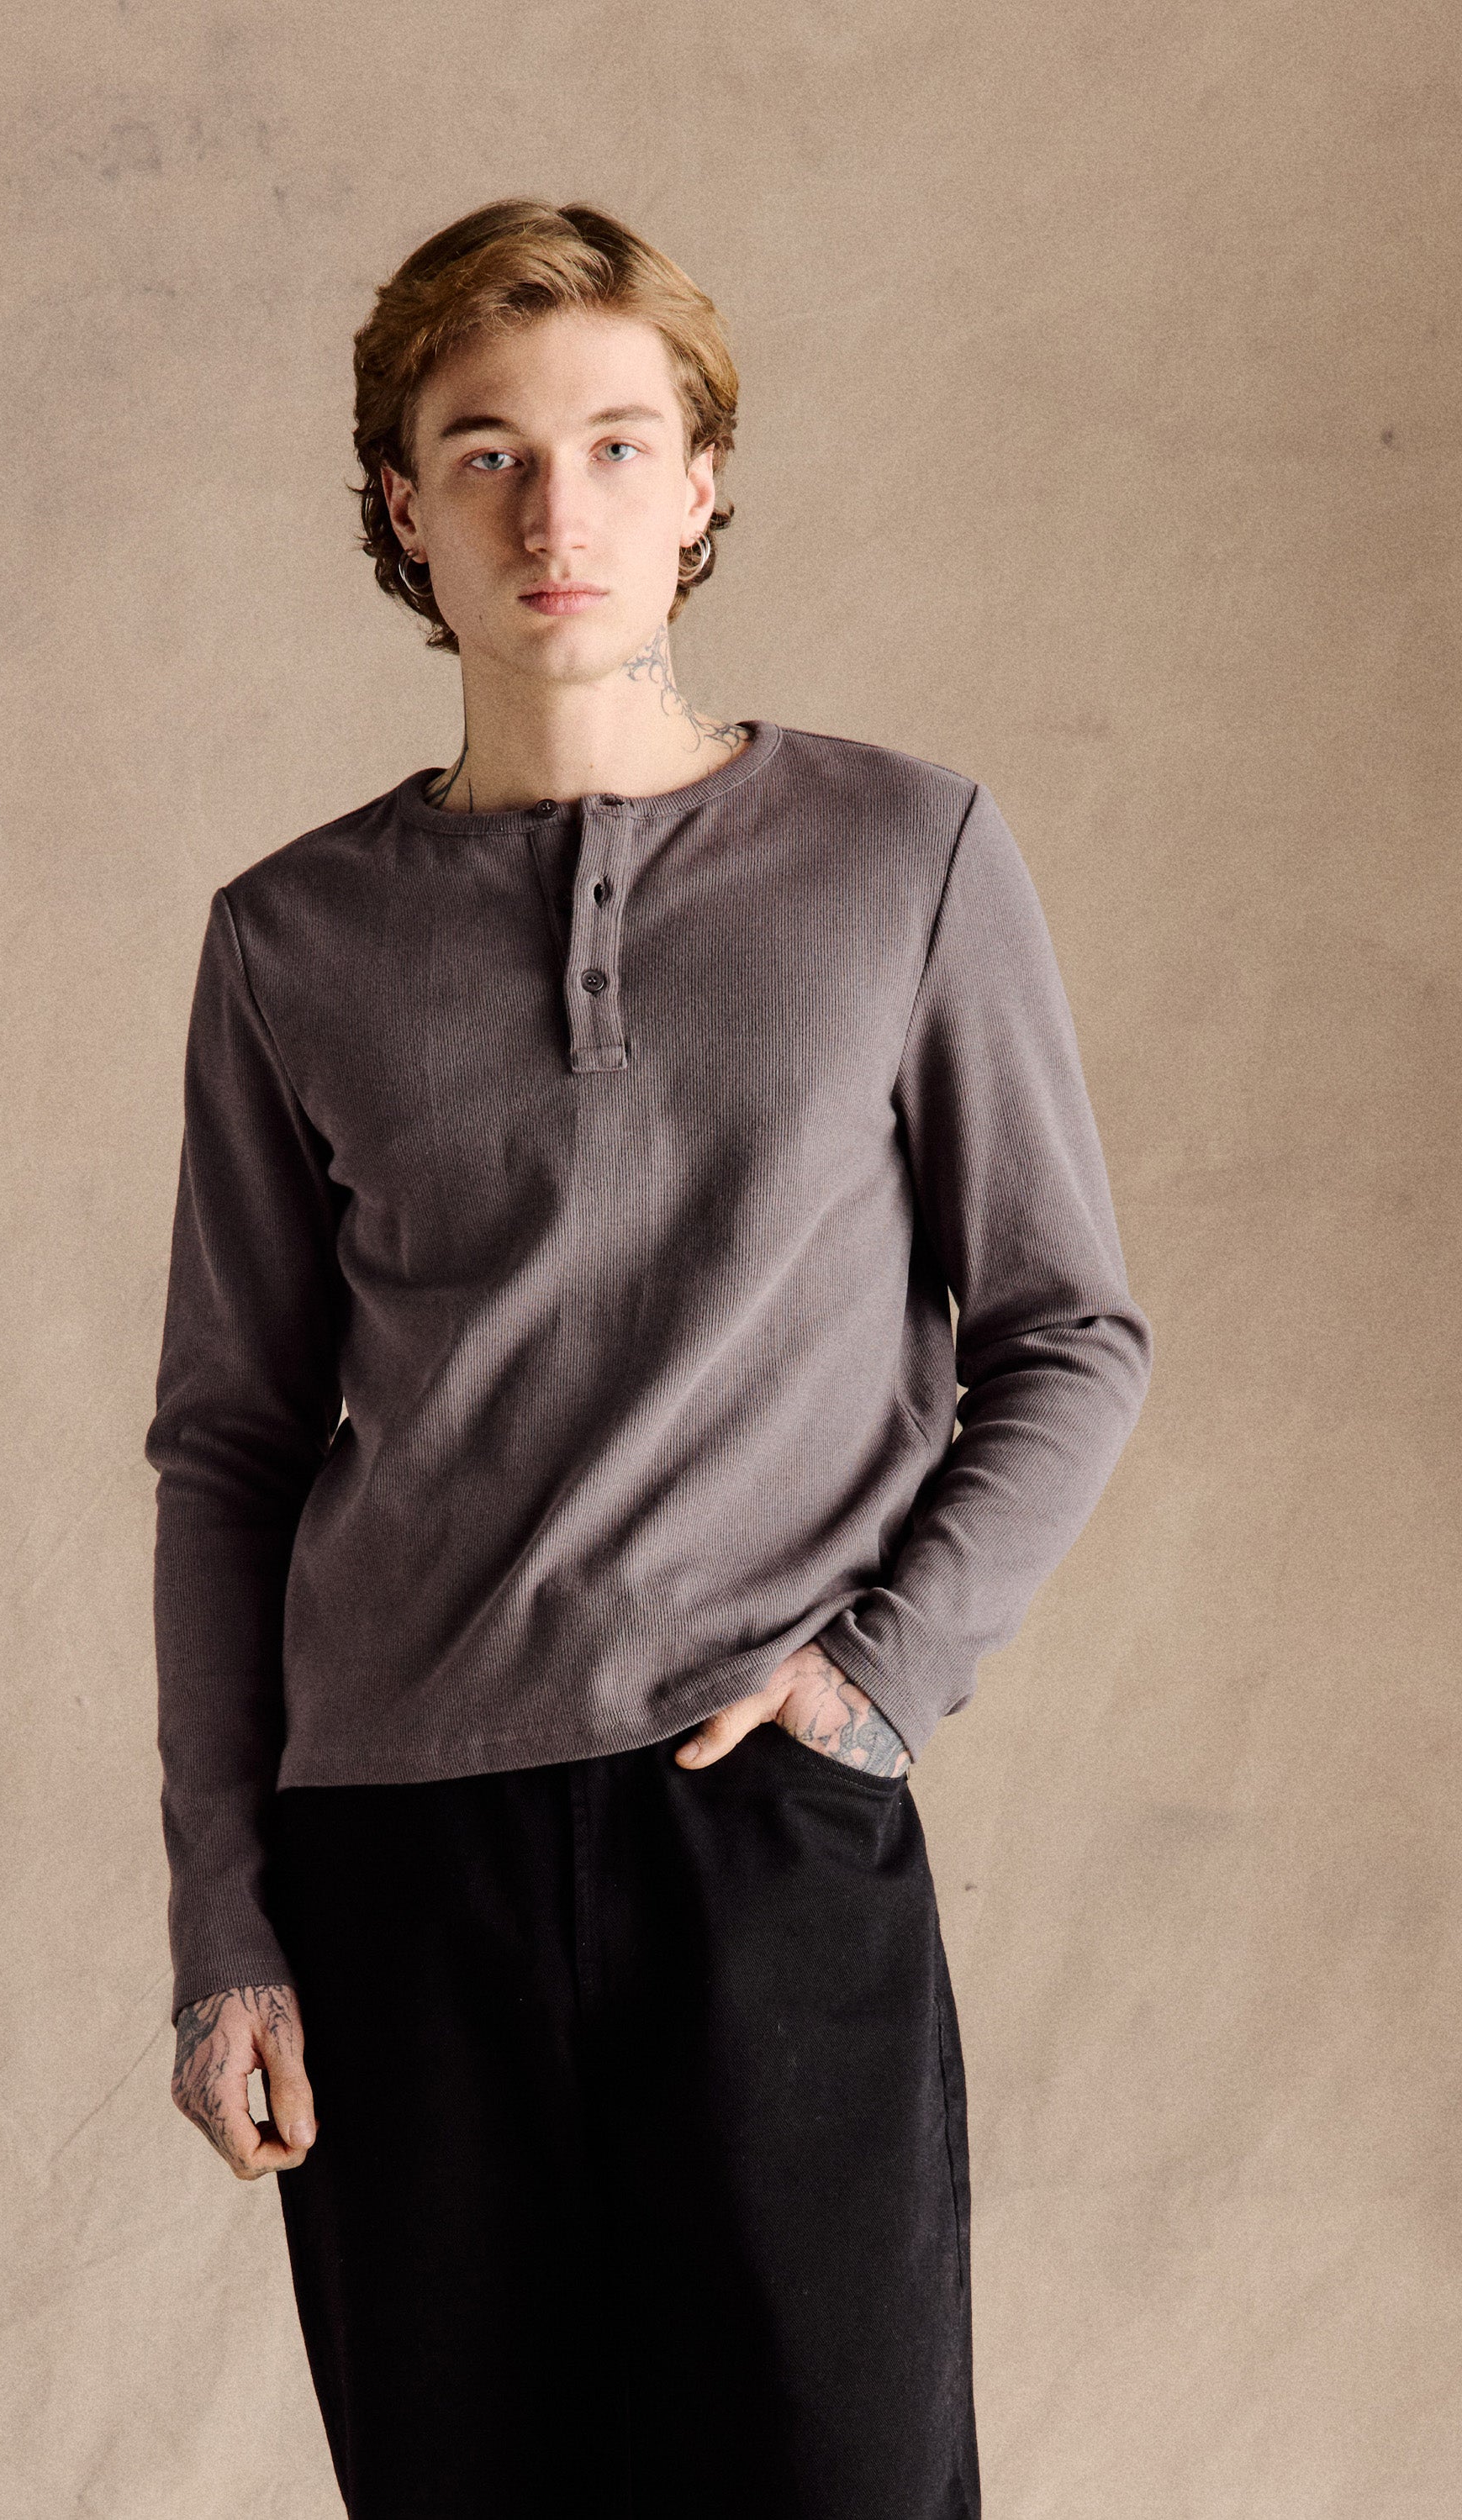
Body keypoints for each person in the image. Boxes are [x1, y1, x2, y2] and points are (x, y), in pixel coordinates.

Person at [144, 197, 1153, 2520]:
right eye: (484, 452)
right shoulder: (291, 937)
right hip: (394, 1874)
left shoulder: (904, 856)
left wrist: (877, 1683)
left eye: (615, 445)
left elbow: (1068, 1329)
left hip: (761, 1825)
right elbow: (228, 1445)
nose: (553, 512)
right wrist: (225, 1921)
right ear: (402, 506)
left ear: (702, 483)